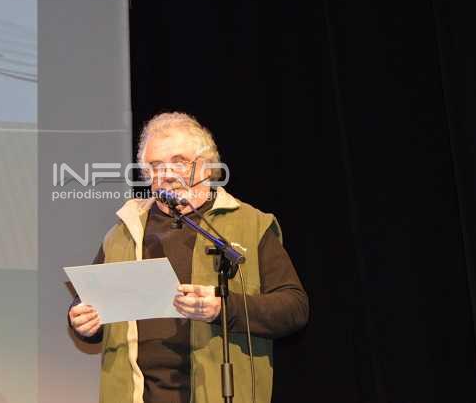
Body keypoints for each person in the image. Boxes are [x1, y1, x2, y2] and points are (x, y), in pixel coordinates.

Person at [68, 112, 309, 403]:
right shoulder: (123, 232)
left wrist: (223, 308)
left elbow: (293, 308)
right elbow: (87, 301)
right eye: (156, 166)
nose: (166, 174)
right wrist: (82, 321)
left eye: (179, 161)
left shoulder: (250, 224)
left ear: (206, 166)